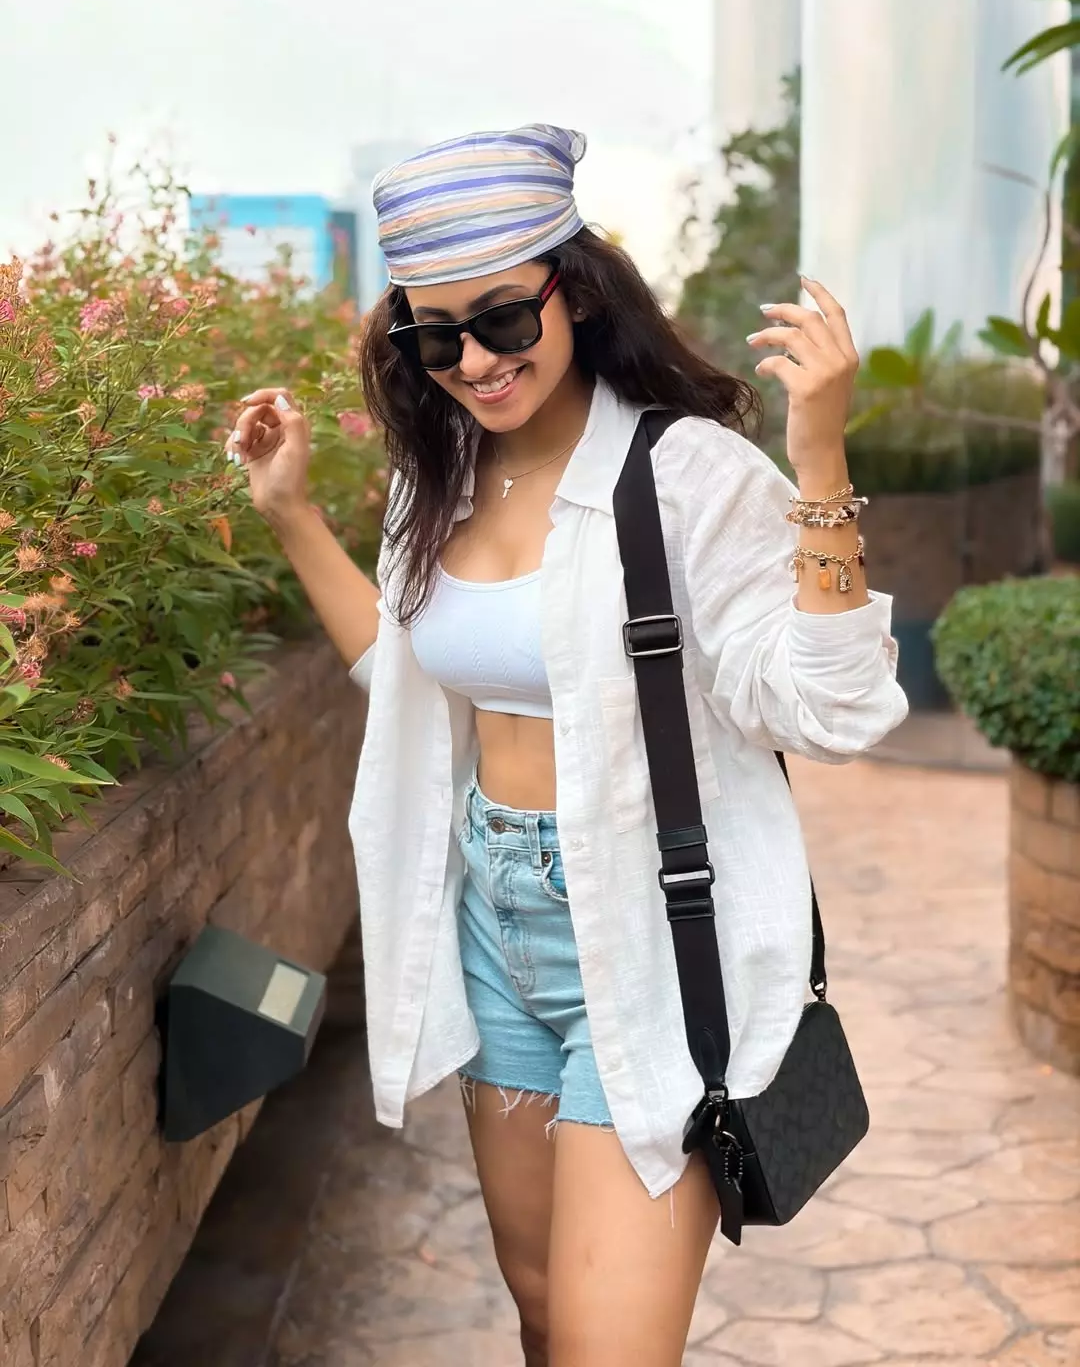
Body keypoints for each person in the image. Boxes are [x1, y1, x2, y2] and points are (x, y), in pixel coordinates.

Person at [227, 124, 908, 1367]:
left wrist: (818, 455)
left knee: (607, 1346)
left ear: (576, 292)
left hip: (647, 930)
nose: (476, 362)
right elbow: (409, 683)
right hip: (496, 927)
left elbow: (831, 708)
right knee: (543, 1313)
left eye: (502, 320)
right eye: (437, 338)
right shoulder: (437, 481)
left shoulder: (687, 475)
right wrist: (289, 517)